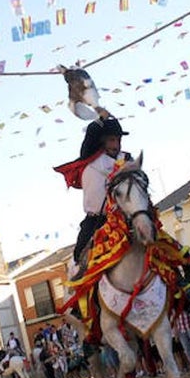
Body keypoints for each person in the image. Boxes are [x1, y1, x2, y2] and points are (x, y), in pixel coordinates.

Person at [59, 116, 129, 279]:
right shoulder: (92, 164)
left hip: (127, 217)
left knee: (159, 242)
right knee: (79, 256)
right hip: (98, 221)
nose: (116, 145)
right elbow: (91, 133)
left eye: (118, 140)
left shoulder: (127, 161)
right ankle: (78, 299)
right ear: (102, 142)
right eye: (112, 140)